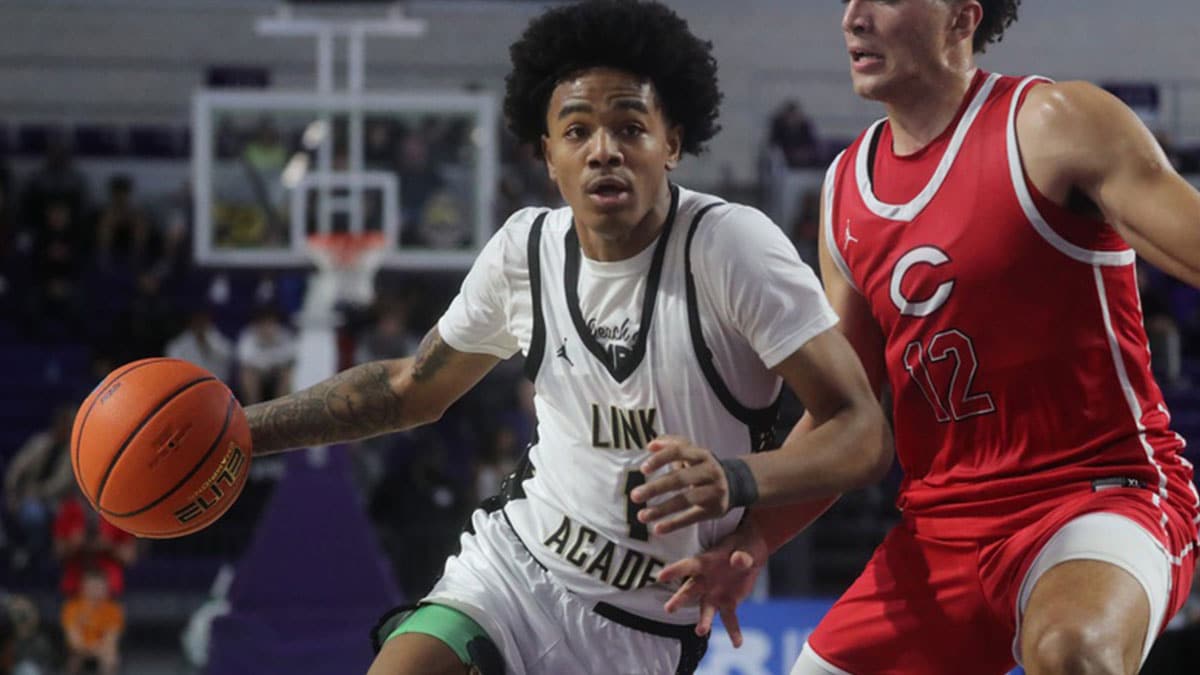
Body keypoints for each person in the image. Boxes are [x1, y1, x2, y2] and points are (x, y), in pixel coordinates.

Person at [239, 2, 889, 673]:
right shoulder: (524, 250)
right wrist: (240, 432)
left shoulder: (732, 248)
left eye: (630, 127)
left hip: (644, 626)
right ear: (549, 155)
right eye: (576, 130)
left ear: (671, 142)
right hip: (510, 571)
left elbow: (861, 431)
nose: (603, 149)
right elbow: (410, 390)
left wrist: (737, 481)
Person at [643, 2, 1200, 674]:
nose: (853, 18)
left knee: (1073, 652)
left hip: (1098, 497)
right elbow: (844, 417)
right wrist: (754, 539)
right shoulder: (846, 188)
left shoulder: (1055, 123)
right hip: (939, 535)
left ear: (961, 17)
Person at [3, 404, 76, 570]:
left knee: (36, 515)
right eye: (63, 424)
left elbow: (61, 483)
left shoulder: (72, 452)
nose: (64, 428)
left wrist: (35, 493)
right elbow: (17, 468)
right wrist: (13, 492)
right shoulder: (39, 443)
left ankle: (34, 554)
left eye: (68, 425)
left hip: (55, 500)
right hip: (25, 493)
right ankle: (23, 551)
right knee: (31, 513)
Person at [60, 568, 124, 675]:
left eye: (99, 587)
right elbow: (74, 641)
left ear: (106, 588)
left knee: (111, 657)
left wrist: (97, 650)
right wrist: (89, 649)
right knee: (74, 659)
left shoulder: (114, 609)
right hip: (79, 651)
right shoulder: (71, 607)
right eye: (92, 587)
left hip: (102, 650)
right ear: (83, 588)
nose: (96, 591)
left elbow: (111, 640)